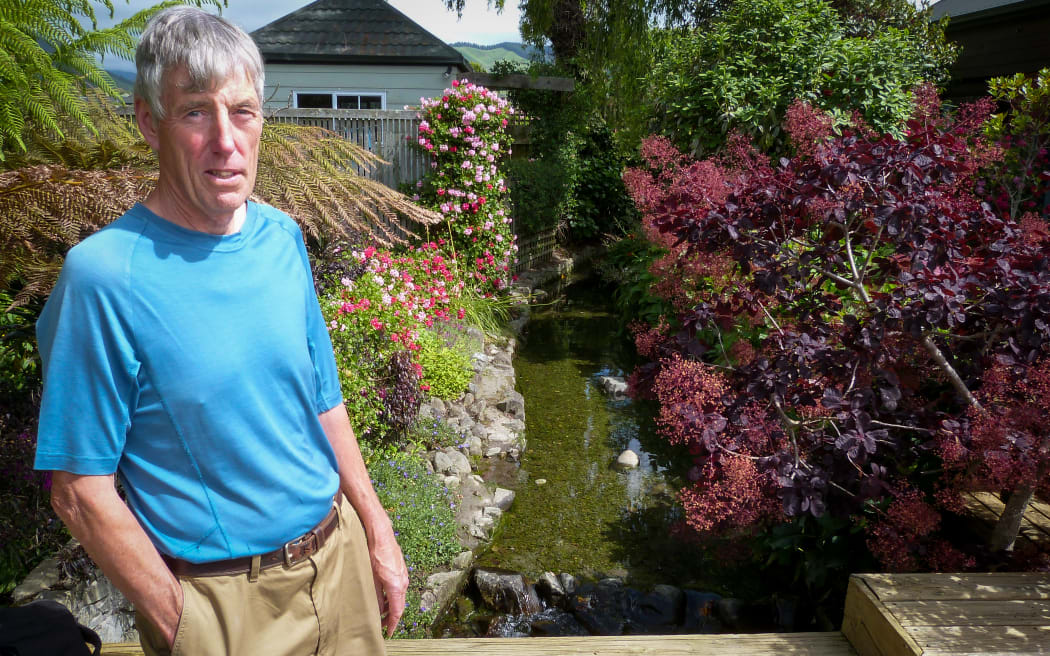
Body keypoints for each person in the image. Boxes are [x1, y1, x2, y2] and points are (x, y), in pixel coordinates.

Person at [33, 7, 408, 655]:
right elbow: (78, 491)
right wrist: (187, 629)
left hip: (339, 565)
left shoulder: (281, 238)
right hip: (226, 606)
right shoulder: (103, 275)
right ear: (150, 122)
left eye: (243, 111)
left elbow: (323, 399)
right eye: (196, 111)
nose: (226, 140)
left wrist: (376, 530)